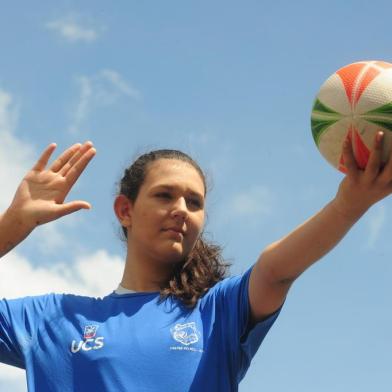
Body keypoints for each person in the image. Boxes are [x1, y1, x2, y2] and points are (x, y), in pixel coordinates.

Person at [0, 131, 390, 391]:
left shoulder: (216, 314)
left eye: (195, 202)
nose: (182, 209)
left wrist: (347, 205)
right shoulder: (50, 320)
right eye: (165, 195)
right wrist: (11, 227)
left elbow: (275, 271)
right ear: (125, 210)